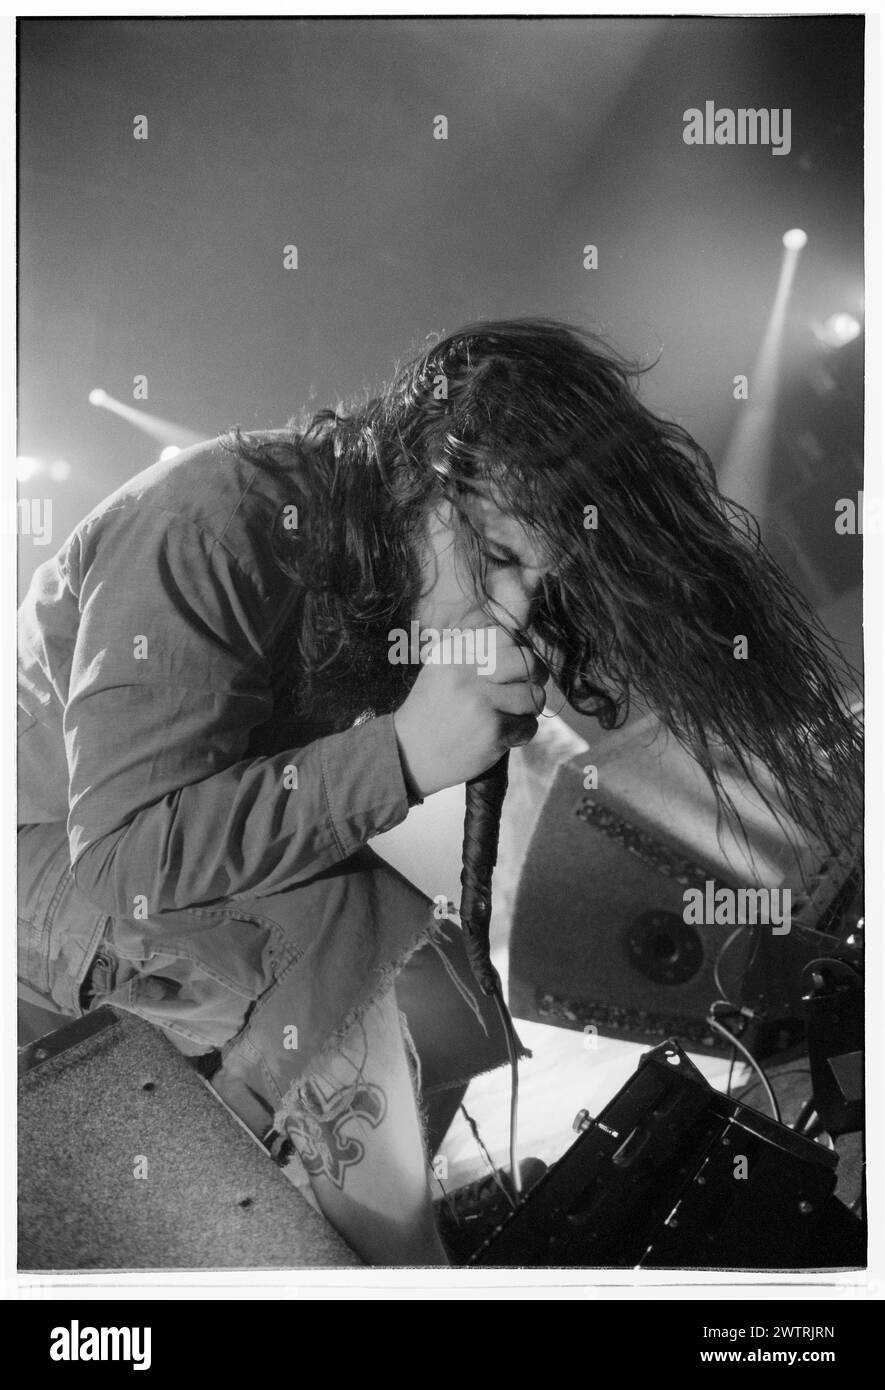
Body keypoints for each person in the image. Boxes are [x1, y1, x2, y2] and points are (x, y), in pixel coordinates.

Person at [17, 318, 862, 1266]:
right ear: (419, 476)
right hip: (44, 848)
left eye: (539, 584)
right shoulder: (211, 516)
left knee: (440, 981)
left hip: (138, 843)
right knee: (347, 928)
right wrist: (405, 755)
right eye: (498, 559)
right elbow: (125, 852)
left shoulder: (384, 566)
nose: (511, 609)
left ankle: (321, 1208)